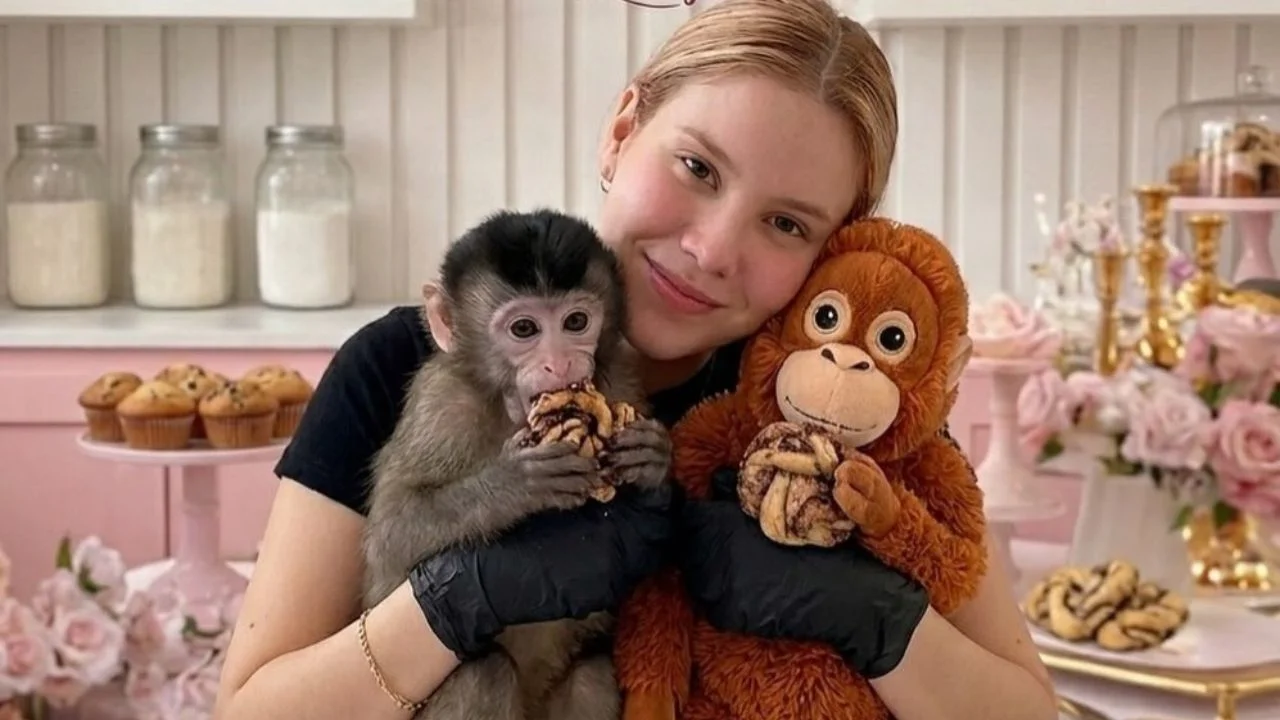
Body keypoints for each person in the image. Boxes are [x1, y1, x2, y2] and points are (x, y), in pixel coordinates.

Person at [212, 1, 1059, 718]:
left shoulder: (831, 404)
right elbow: (251, 709)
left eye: (786, 223)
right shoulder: (405, 365)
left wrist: (872, 618)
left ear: (831, 247)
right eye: (697, 167)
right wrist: (457, 600)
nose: (711, 249)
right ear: (622, 133)